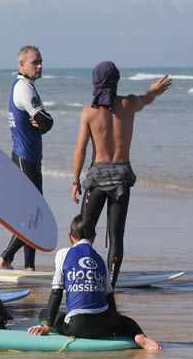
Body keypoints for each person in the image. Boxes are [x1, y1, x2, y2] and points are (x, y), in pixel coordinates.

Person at [72, 61, 171, 289]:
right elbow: (146, 98)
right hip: (121, 179)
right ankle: (110, 286)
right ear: (116, 82)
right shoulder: (128, 104)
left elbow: (80, 149)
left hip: (96, 180)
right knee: (116, 236)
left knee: (83, 233)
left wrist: (75, 180)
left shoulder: (89, 112)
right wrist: (154, 90)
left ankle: (82, 277)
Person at [28, 214, 162, 351]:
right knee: (126, 321)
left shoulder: (63, 254)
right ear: (94, 237)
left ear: (70, 237)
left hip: (77, 325)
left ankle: (48, 320)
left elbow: (56, 292)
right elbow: (109, 296)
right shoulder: (101, 260)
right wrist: (114, 323)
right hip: (104, 324)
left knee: (43, 313)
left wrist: (46, 325)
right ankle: (139, 336)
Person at [0, 45, 53, 271]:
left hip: (29, 159)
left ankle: (29, 267)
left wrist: (45, 121)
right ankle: (5, 259)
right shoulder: (23, 89)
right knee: (35, 216)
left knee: (31, 215)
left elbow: (44, 122)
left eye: (40, 62)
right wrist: (46, 121)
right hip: (24, 159)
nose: (39, 66)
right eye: (34, 63)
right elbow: (46, 121)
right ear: (22, 65)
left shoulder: (26, 86)